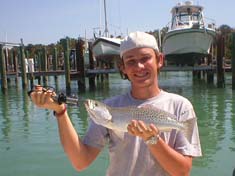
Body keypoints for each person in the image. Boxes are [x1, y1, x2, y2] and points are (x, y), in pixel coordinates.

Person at [30, 31, 202, 176]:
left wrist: (152, 140)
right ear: (122, 67)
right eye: (131, 61)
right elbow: (80, 161)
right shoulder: (109, 107)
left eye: (145, 58)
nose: (139, 66)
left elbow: (183, 171)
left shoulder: (181, 106)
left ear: (160, 60)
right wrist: (60, 112)